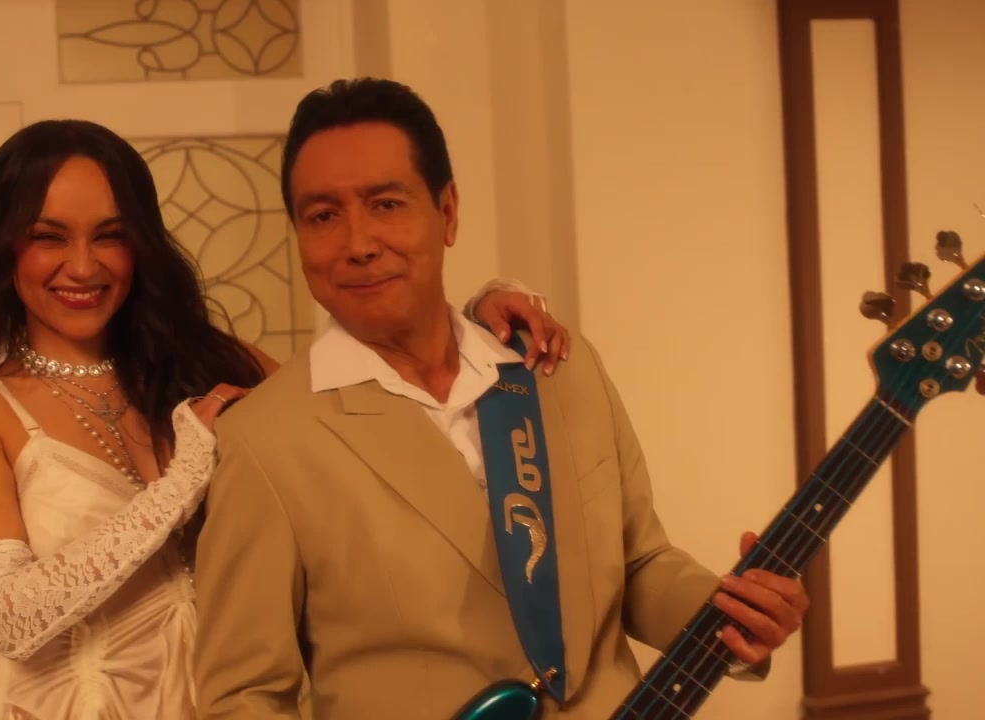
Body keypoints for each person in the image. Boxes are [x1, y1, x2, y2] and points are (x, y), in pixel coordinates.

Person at [190, 78, 810, 720]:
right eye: (323, 216)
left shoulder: (559, 367)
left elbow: (639, 563)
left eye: (386, 204)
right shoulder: (267, 441)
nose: (359, 243)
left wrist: (734, 615)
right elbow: (243, 696)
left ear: (448, 210)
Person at [0, 118, 571, 719]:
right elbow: (9, 619)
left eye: (110, 236)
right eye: (49, 237)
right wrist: (181, 485)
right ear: (3, 249)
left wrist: (471, 329)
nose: (84, 265)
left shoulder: (210, 364)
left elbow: (370, 407)